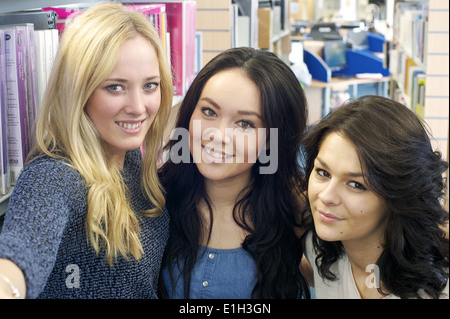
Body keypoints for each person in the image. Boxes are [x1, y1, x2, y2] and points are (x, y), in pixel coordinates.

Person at [0, 2, 173, 298]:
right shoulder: (54, 176)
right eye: (115, 87)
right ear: (79, 91)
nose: (138, 108)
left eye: (150, 85)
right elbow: (20, 252)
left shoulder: (126, 154)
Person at [158, 47, 310, 299]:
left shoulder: (296, 212)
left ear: (272, 140)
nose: (218, 136)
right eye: (209, 112)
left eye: (245, 124)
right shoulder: (154, 200)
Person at [301, 95, 449, 299]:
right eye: (323, 173)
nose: (326, 196)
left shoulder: (437, 290)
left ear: (397, 196)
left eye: (356, 185)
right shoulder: (319, 247)